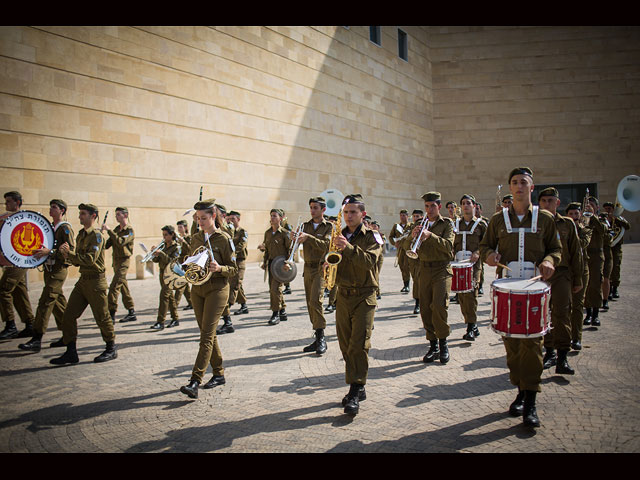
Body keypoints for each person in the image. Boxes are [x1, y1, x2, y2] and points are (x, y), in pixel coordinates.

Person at [480, 167, 562, 428]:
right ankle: (520, 390)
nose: (518, 186)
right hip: (508, 290)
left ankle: (530, 401)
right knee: (513, 348)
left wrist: (550, 261)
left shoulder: (546, 219)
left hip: (535, 291)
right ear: (510, 187)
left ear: (531, 187)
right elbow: (485, 247)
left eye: (523, 182)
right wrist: (489, 256)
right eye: (514, 182)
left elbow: (555, 249)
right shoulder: (497, 220)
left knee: (533, 346)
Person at [329, 194, 383, 416]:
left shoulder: (373, 236)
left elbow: (369, 262)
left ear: (363, 213)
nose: (349, 216)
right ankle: (358, 386)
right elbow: (332, 259)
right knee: (345, 344)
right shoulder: (337, 235)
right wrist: (328, 260)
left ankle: (355, 389)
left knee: (358, 344)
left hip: (364, 296)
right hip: (343, 296)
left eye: (353, 212)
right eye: (346, 212)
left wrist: (348, 248)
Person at [179, 199, 238, 399]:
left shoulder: (224, 238)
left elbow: (234, 269)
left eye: (203, 218)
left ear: (214, 216)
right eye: (197, 218)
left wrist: (219, 268)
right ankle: (219, 373)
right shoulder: (195, 238)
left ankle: (195, 380)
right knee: (208, 334)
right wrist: (185, 267)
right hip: (197, 289)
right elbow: (191, 261)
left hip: (217, 290)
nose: (200, 222)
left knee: (205, 336)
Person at [49, 203, 118, 365]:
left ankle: (111, 347)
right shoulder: (81, 235)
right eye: (80, 213)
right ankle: (71, 351)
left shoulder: (97, 235)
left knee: (102, 317)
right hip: (83, 281)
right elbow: (78, 260)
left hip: (95, 281)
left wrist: (68, 254)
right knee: (68, 316)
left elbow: (89, 260)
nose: (80, 216)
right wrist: (67, 254)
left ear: (93, 216)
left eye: (84, 214)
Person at [18, 199, 75, 352]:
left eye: (54, 207)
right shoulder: (48, 227)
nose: (51, 210)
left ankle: (37, 338)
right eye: (50, 207)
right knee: (58, 303)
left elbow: (70, 251)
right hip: (49, 269)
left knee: (45, 301)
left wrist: (50, 252)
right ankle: (68, 336)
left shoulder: (65, 228)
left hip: (58, 269)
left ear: (62, 211)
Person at [538, 187, 583, 375]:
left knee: (562, 313)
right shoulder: (535, 224)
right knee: (544, 314)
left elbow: (576, 252)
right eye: (544, 201)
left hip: (562, 273)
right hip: (540, 275)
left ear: (558, 203)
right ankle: (549, 352)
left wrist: (578, 279)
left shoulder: (567, 224)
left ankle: (562, 356)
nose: (547, 204)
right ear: (539, 204)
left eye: (551, 201)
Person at [413, 192, 455, 365]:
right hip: (424, 270)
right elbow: (409, 246)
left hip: (441, 269)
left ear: (439, 206)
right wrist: (414, 235)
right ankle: (433, 345)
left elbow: (449, 247)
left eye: (432, 206)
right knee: (425, 309)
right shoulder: (419, 224)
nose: (429, 209)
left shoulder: (447, 224)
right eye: (427, 206)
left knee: (439, 306)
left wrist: (431, 236)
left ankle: (443, 343)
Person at [295, 197, 332, 355]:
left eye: (315, 208)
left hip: (320, 268)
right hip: (307, 268)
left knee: (316, 301)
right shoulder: (305, 225)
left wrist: (308, 237)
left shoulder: (329, 226)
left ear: (323, 210)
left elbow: (327, 245)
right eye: (311, 207)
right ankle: (317, 337)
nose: (312, 210)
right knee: (310, 303)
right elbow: (297, 244)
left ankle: (322, 337)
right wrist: (295, 239)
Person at [0, 191, 36, 340]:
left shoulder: (24, 219)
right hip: (8, 261)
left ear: (17, 203)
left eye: (9, 201)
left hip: (18, 262)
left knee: (3, 290)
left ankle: (10, 325)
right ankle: (30, 324)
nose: (6, 204)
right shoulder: (4, 218)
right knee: (19, 292)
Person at [452, 194, 487, 342]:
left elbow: (488, 244)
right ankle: (471, 323)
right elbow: (451, 243)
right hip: (459, 264)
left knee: (471, 291)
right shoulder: (455, 224)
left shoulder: (481, 225)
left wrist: (479, 252)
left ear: (474, 206)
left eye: (468, 203)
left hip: (474, 265)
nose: (465, 205)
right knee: (462, 295)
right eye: (463, 203)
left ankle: (471, 326)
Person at [565, 202, 592, 351]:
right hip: (566, 271)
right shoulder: (562, 229)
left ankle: (576, 338)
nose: (574, 217)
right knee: (564, 306)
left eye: (577, 214)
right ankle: (564, 336)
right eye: (571, 214)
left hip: (581, 271)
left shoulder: (585, 230)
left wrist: (574, 230)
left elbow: (582, 243)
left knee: (577, 305)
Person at [103, 207, 137, 324]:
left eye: (118, 214)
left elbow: (121, 242)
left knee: (114, 286)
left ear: (125, 215)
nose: (116, 217)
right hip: (116, 261)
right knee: (123, 286)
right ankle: (131, 311)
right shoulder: (117, 229)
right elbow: (107, 245)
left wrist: (109, 231)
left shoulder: (129, 230)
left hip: (124, 261)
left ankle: (111, 313)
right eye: (116, 214)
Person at [260, 209, 291, 325]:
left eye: (274, 216)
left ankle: (275, 314)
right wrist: (264, 262)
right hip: (271, 264)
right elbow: (267, 250)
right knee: (273, 289)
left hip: (281, 265)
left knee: (275, 289)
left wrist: (288, 262)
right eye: (271, 216)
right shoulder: (267, 233)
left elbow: (290, 249)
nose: (272, 218)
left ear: (281, 218)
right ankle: (282, 311)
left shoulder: (284, 233)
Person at [149, 225, 182, 330]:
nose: (164, 237)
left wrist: (161, 254)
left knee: (163, 296)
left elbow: (172, 262)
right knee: (170, 297)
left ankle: (160, 322)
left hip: (171, 274)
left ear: (172, 235)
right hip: (162, 273)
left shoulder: (176, 247)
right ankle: (175, 319)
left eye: (166, 235)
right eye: (163, 235)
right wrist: (155, 254)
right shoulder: (163, 246)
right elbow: (156, 261)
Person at [583, 196, 607, 327]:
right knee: (586, 284)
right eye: (588, 205)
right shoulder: (584, 219)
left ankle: (596, 315)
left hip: (597, 254)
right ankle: (588, 313)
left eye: (592, 205)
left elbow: (603, 231)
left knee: (596, 284)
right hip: (586, 254)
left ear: (597, 207)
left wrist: (593, 216)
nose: (590, 207)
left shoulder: (601, 219)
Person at [224, 210, 249, 322]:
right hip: (231, 261)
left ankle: (228, 305)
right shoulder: (228, 232)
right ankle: (244, 306)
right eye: (229, 219)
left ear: (238, 219)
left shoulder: (243, 232)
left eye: (233, 219)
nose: (231, 221)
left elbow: (242, 245)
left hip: (239, 261)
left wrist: (231, 253)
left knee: (235, 283)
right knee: (237, 283)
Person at [603, 201, 630, 300]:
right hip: (607, 247)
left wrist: (617, 219)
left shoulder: (619, 218)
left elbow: (627, 226)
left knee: (616, 267)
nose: (607, 211)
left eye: (609, 209)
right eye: (606, 209)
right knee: (608, 268)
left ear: (613, 209)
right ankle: (608, 290)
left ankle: (615, 288)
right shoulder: (603, 219)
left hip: (616, 247)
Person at [403, 209, 423, 314]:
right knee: (416, 283)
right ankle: (418, 303)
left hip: (426, 259)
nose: (416, 218)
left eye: (418, 216)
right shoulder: (411, 228)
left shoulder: (428, 227)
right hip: (414, 261)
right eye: (414, 216)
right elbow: (406, 246)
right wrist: (412, 236)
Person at [389, 209, 411, 293]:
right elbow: (391, 236)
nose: (402, 217)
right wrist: (394, 243)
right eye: (401, 215)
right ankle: (405, 285)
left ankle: (408, 285)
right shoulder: (396, 226)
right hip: (400, 250)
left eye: (404, 215)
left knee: (408, 267)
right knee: (402, 267)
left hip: (408, 249)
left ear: (407, 216)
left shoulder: (411, 225)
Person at [174, 220, 193, 310]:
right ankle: (191, 302)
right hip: (180, 262)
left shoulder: (188, 237)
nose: (179, 229)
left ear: (185, 227)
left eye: (181, 227)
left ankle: (174, 304)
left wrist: (184, 241)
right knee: (184, 285)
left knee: (181, 283)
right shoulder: (178, 238)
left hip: (187, 262)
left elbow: (190, 249)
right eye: (178, 227)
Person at [474, 202, 490, 295]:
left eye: (477, 209)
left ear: (481, 210)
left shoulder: (483, 222)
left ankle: (479, 286)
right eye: (475, 208)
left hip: (479, 248)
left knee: (480, 268)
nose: (476, 210)